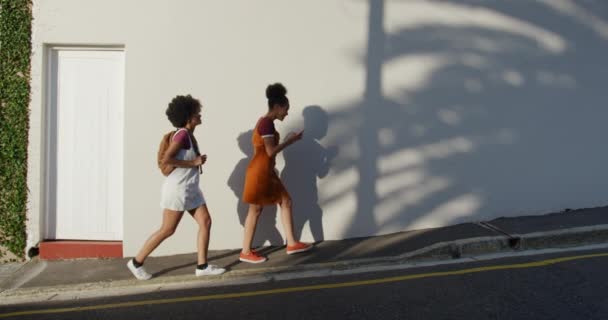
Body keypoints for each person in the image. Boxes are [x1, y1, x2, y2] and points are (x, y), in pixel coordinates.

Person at [127, 95, 226, 280]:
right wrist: (194, 162)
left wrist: (195, 161)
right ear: (188, 117)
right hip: (178, 190)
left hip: (190, 189)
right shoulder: (182, 134)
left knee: (205, 222)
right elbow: (167, 159)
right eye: (197, 112)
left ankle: (202, 267)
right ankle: (136, 262)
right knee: (167, 229)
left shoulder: (188, 135)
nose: (200, 114)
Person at [239, 83, 312, 263]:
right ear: (277, 107)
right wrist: (291, 141)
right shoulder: (266, 124)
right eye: (285, 110)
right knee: (255, 210)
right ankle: (245, 252)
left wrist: (286, 140)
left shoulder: (266, 123)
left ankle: (292, 243)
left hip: (266, 171)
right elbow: (271, 151)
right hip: (260, 172)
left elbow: (268, 150)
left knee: (285, 201)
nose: (286, 113)